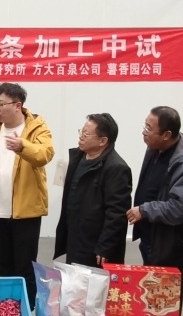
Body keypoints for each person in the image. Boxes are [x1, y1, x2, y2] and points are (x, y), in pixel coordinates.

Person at [0, 82, 54, 309]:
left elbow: (45, 154)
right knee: (5, 264)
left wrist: (22, 146)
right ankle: (6, 310)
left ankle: (26, 310)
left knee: (25, 266)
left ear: (18, 105)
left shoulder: (36, 128)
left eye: (1, 104)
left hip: (26, 211)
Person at [127, 106, 183, 272]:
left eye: (149, 128)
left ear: (166, 135)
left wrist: (145, 210)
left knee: (165, 286)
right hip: (150, 237)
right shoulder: (154, 148)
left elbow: (180, 207)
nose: (144, 132)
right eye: (144, 125)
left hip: (167, 243)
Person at [54, 113, 132, 267]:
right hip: (76, 237)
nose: (81, 137)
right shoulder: (78, 157)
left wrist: (105, 247)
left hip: (96, 245)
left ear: (103, 141)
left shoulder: (116, 168)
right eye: (81, 132)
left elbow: (116, 213)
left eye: (86, 134)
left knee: (94, 280)